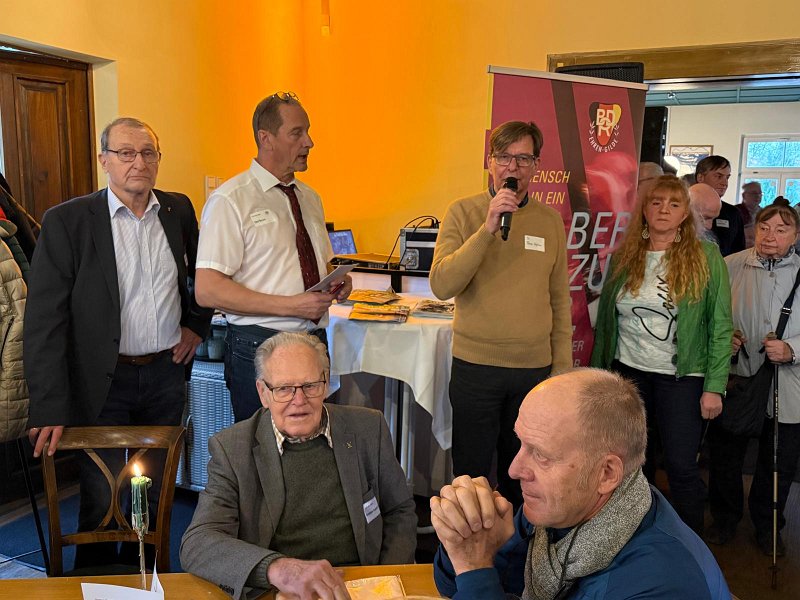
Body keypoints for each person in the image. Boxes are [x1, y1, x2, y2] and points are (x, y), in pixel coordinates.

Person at [24, 117, 212, 567]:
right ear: (104, 160)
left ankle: (147, 575)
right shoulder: (67, 221)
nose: (138, 163)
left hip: (165, 374)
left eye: (148, 153)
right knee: (102, 492)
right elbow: (44, 320)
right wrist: (49, 405)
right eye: (126, 153)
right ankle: (95, 579)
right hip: (101, 382)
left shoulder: (178, 210)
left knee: (156, 490)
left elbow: (204, 276)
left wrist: (196, 324)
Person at [430, 369, 730, 599]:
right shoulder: (560, 507)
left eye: (541, 455)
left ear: (607, 474)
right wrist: (464, 538)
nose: (514, 470)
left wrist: (474, 567)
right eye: (521, 443)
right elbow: (460, 585)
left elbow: (477, 580)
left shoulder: (659, 583)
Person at [181, 331, 416, 600]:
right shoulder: (233, 449)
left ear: (325, 384)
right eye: (283, 389)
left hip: (359, 587)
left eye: (310, 386)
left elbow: (400, 511)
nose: (299, 400)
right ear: (263, 393)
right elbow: (198, 543)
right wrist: (277, 569)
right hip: (280, 591)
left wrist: (384, 583)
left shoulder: (368, 428)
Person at [429, 120, 572, 509]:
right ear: (489, 161)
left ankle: (519, 544)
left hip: (533, 372)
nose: (513, 167)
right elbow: (442, 284)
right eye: (505, 157)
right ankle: (465, 545)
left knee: (525, 476)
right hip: (476, 369)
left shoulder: (549, 221)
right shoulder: (463, 212)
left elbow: (559, 298)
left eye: (524, 159)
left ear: (536, 166)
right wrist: (487, 229)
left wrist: (561, 369)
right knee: (471, 477)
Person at [195, 92, 352, 423]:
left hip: (313, 344)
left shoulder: (310, 198)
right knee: (261, 448)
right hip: (259, 346)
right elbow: (207, 290)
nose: (309, 142)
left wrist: (336, 282)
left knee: (312, 444)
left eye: (308, 131)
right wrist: (292, 306)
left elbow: (317, 266)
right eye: (297, 133)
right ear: (265, 138)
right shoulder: (230, 200)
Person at [591, 175, 732, 535]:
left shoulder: (706, 257)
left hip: (681, 379)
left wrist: (714, 386)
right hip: (628, 375)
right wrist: (597, 377)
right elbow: (606, 324)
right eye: (656, 202)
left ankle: (689, 548)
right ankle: (637, 539)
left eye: (673, 203)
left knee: (681, 467)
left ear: (686, 213)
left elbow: (720, 325)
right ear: (645, 210)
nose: (664, 210)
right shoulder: (625, 256)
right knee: (632, 466)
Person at [707, 205, 800, 555]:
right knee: (726, 454)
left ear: (795, 236)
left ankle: (768, 525)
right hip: (738, 378)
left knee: (777, 461)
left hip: (787, 383)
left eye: (781, 229)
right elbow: (709, 316)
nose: (770, 236)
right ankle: (725, 518)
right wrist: (724, 337)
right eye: (764, 227)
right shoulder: (729, 265)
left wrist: (792, 348)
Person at [695, 155, 745, 256]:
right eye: (718, 176)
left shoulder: (732, 213)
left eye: (727, 177)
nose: (724, 183)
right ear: (700, 177)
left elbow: (739, 253)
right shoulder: (682, 208)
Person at [737, 181, 762, 248]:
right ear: (744, 195)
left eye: (760, 193)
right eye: (754, 193)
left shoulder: (764, 213)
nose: (758, 196)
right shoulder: (735, 211)